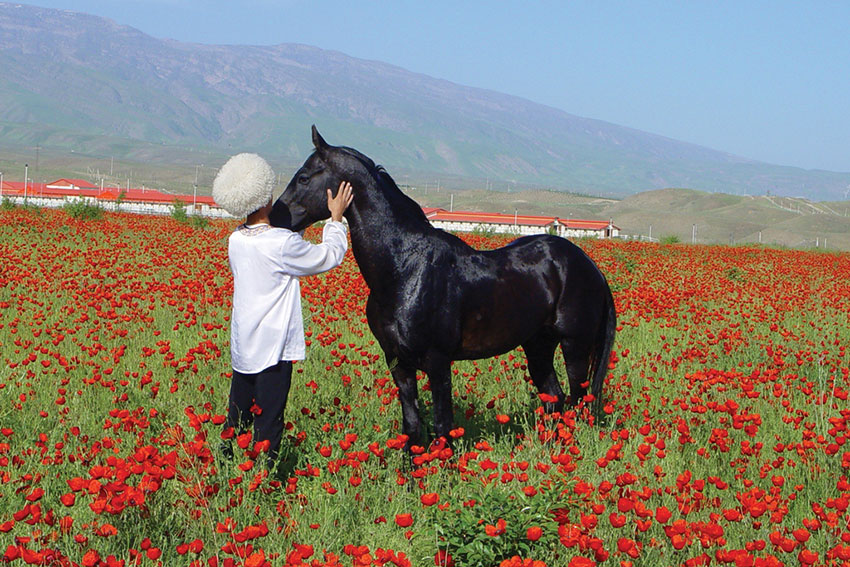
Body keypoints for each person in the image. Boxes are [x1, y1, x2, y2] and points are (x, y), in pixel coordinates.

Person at [212, 153, 353, 469]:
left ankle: (226, 468)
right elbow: (327, 257)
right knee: (269, 417)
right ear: (266, 196)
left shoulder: (237, 239)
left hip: (244, 342)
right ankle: (264, 478)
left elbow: (280, 244)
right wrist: (335, 220)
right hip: (273, 346)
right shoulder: (280, 244)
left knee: (239, 412)